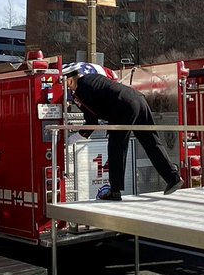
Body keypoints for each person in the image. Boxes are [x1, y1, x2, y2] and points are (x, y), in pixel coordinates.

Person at [63, 62, 182, 201]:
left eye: (67, 85)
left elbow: (92, 120)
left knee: (116, 146)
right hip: (138, 99)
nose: (68, 88)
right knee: (151, 141)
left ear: (70, 80)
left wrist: (76, 137)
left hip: (122, 106)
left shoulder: (81, 90)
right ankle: (173, 177)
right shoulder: (93, 78)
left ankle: (115, 191)